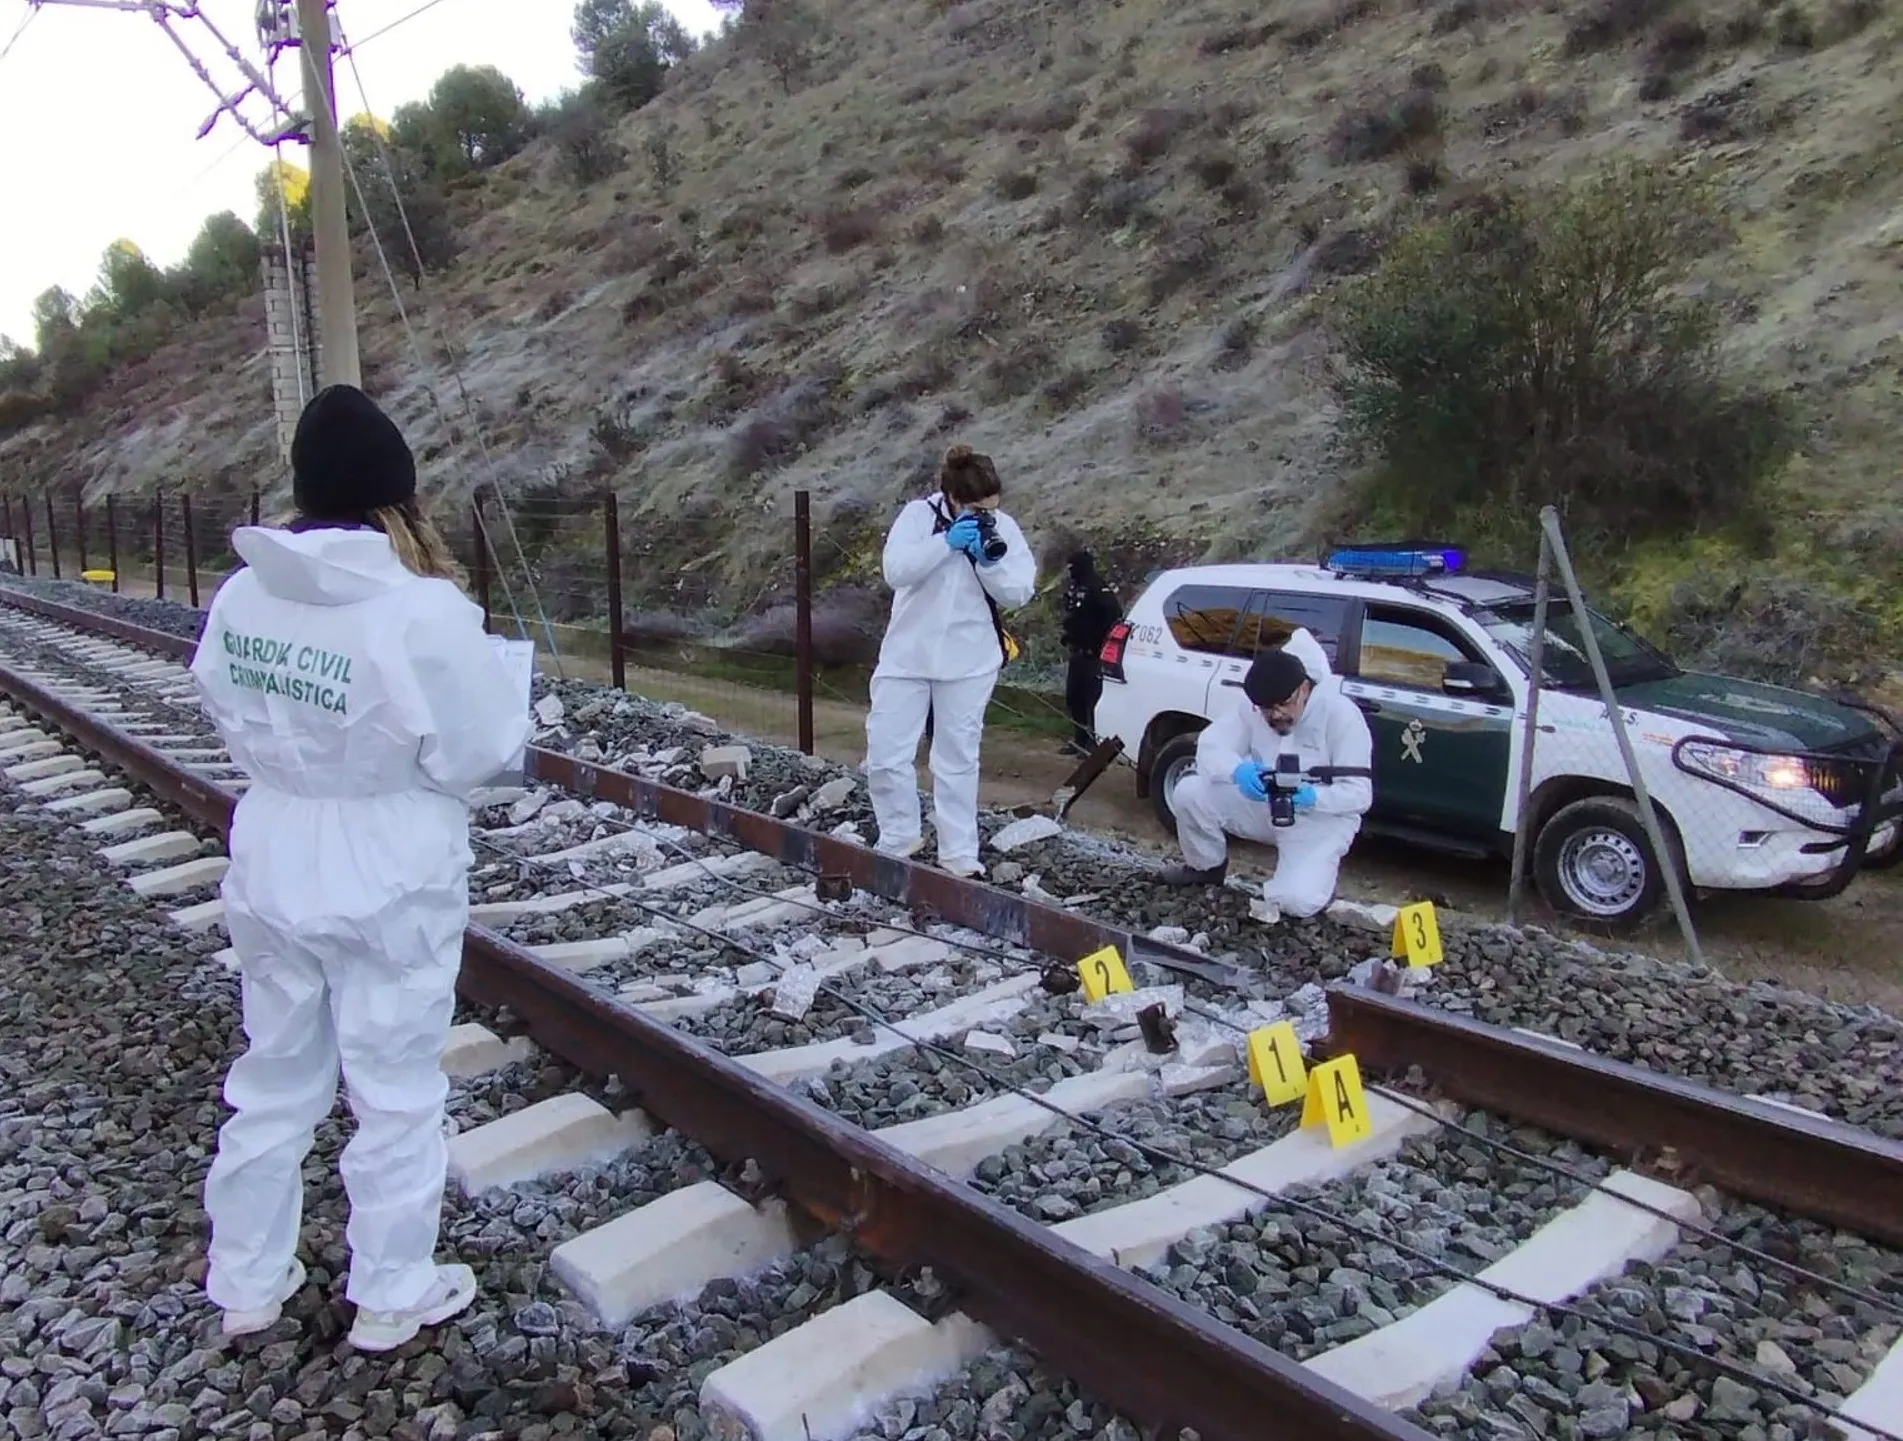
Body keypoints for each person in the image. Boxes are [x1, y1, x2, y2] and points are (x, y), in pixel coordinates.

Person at [188, 384, 530, 1351]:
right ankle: (390, 1292)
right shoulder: (422, 610)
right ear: (397, 497)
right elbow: (479, 752)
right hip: (389, 862)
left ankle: (247, 1280)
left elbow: (220, 702)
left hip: (274, 843)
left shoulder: (244, 594)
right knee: (395, 1086)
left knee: (272, 1073)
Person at [864, 444, 1037, 879]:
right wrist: (946, 543)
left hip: (969, 660)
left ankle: (959, 853)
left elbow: (1018, 592)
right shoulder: (918, 517)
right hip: (907, 655)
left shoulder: (1003, 527)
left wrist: (987, 562)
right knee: (885, 751)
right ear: (954, 499)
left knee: (957, 758)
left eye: (992, 508)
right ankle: (899, 835)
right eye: (978, 510)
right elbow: (896, 571)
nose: (987, 516)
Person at [1160, 627, 1373, 919]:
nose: (1275, 715)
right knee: (1188, 792)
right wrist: (1238, 771)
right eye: (1266, 709)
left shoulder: (1341, 715)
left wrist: (1312, 796)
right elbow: (1210, 746)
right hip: (1265, 805)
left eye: (1283, 705)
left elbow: (1360, 795)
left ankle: (1317, 882)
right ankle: (1205, 867)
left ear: (1305, 689)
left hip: (1319, 820)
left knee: (1294, 902)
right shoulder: (1254, 709)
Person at [1057, 549, 1122, 757]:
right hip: (1076, 652)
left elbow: (1114, 616)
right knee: (1074, 698)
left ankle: (1094, 742)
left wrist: (1098, 641)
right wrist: (1070, 635)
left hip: (1093, 654)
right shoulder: (1075, 587)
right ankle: (1080, 740)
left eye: (1073, 568)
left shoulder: (1098, 588)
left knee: (1091, 700)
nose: (1070, 572)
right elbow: (1073, 616)